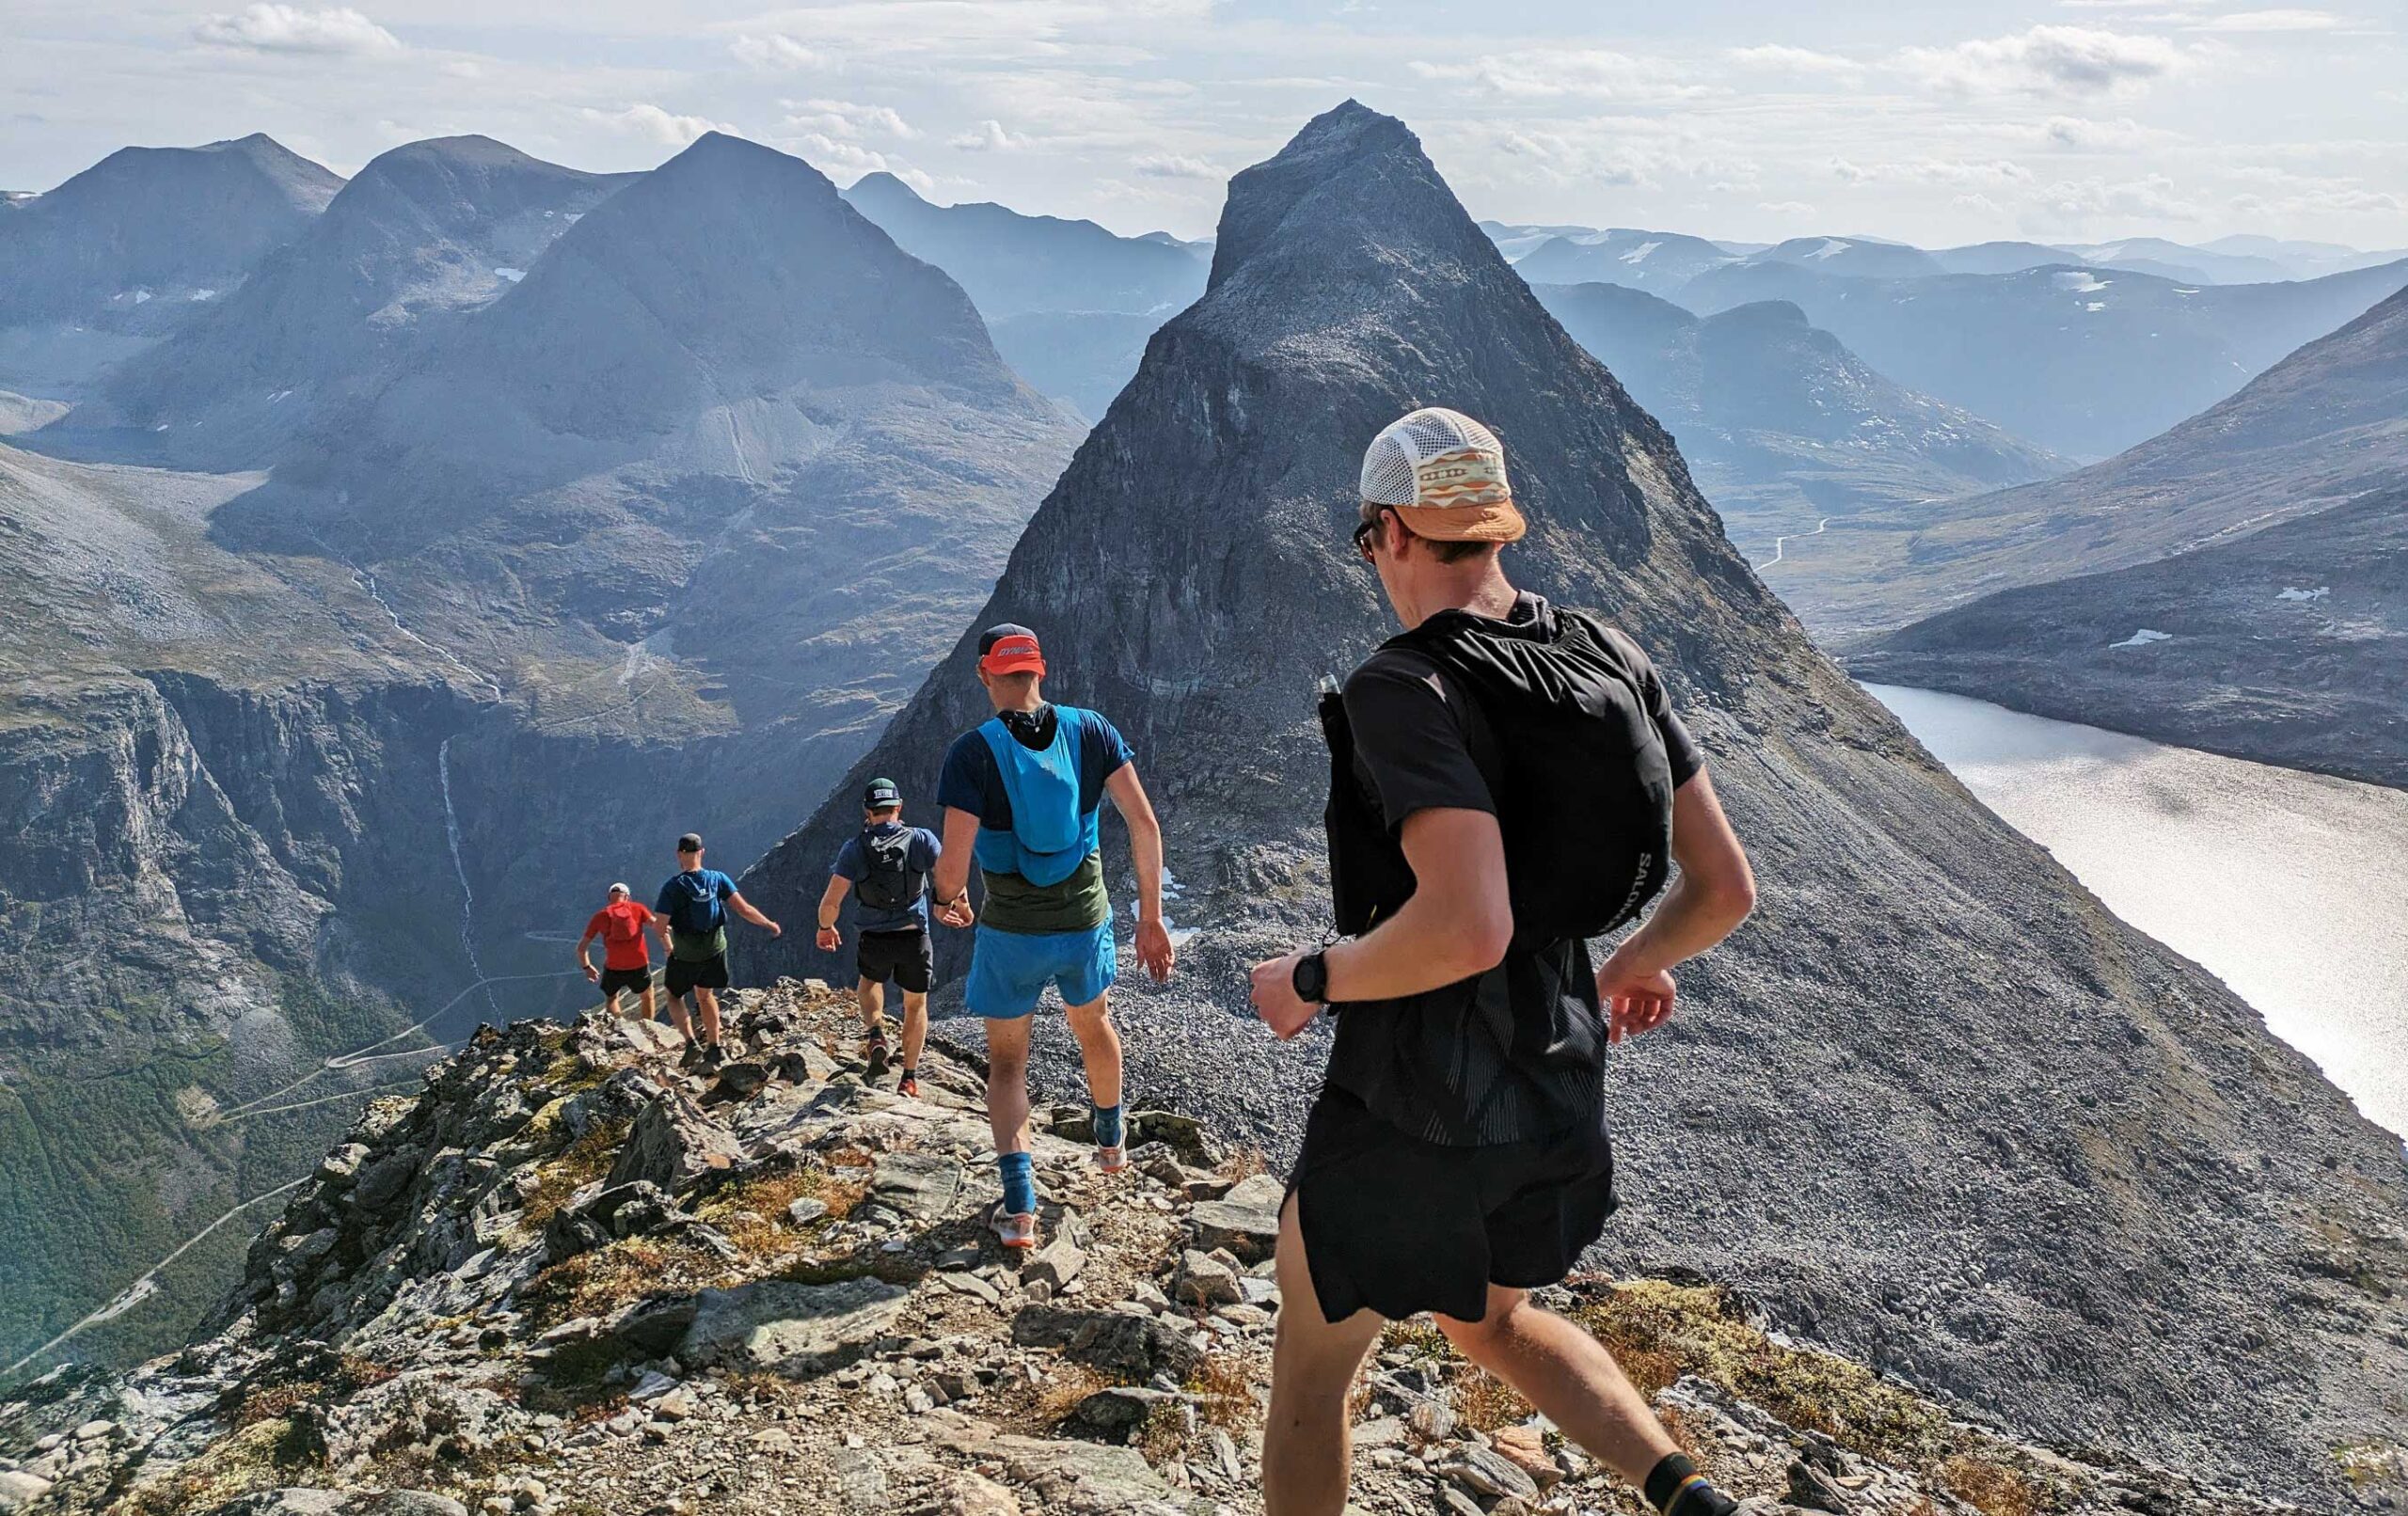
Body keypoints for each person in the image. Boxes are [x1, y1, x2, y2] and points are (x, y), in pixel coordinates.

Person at [1245, 408, 1758, 1516]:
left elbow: (1465, 927)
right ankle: (1688, 1496)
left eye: (1367, 538)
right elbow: (1723, 887)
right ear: (1491, 529)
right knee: (1489, 1318)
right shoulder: (1604, 650)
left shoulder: (1402, 685)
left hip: (1414, 1101)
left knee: (1312, 1370)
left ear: (1386, 531)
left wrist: (1309, 978)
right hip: (1557, 1080)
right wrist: (1629, 961)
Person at [930, 624, 1177, 1250]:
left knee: (1009, 1063)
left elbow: (954, 870)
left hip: (1012, 934)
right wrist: (1150, 919)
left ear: (987, 676)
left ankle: (1019, 1212)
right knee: (1095, 1026)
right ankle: (1111, 1146)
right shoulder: (1091, 731)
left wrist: (947, 900)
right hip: (1084, 922)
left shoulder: (973, 753)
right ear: (1039, 670)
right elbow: (1143, 824)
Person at [816, 777, 943, 1098]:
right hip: (914, 935)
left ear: (868, 812)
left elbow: (832, 900)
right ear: (898, 807)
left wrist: (825, 927)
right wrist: (958, 903)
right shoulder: (921, 839)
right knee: (915, 1005)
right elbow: (949, 874)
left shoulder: (855, 848)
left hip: (874, 937)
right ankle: (909, 1079)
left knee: (869, 984)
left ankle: (875, 1035)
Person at [653, 832, 782, 1069]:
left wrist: (669, 941)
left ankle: (691, 1043)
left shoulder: (672, 888)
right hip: (714, 950)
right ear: (702, 852)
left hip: (686, 953)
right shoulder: (717, 879)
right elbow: (744, 909)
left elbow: (660, 927)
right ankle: (715, 1048)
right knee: (706, 995)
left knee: (673, 995)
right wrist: (769, 924)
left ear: (679, 854)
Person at [576, 882, 657, 1022]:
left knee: (612, 998)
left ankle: (619, 1026)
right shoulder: (638, 908)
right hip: (639, 963)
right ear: (627, 897)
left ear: (610, 898)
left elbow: (581, 948)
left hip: (614, 966)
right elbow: (658, 926)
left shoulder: (600, 916)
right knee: (647, 995)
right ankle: (648, 1026)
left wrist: (587, 967)